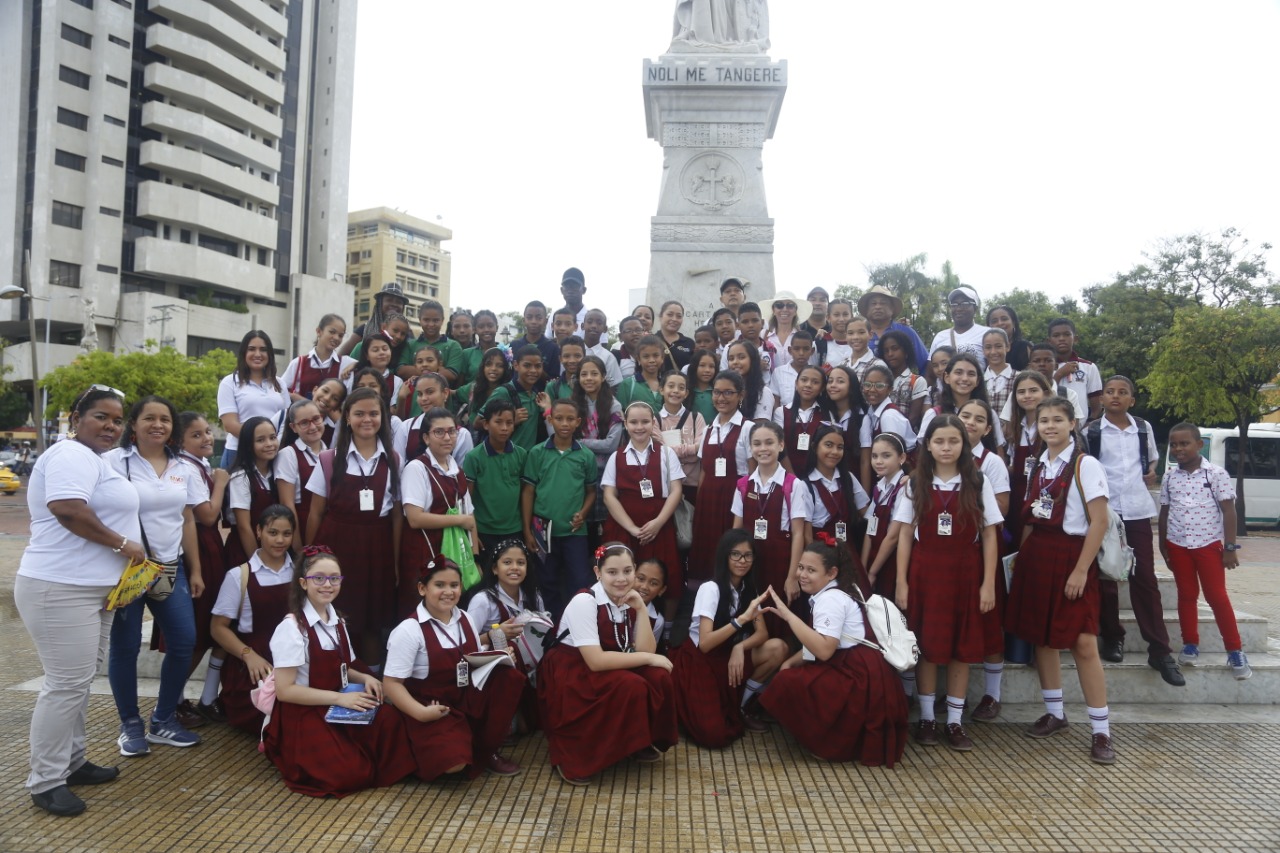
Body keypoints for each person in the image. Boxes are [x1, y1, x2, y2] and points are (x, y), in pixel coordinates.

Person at [15, 387, 142, 817]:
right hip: (59, 587)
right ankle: (45, 781)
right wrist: (123, 544)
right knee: (64, 684)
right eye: (100, 417)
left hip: (92, 590)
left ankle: (72, 761)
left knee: (79, 682)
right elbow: (67, 508)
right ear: (76, 419)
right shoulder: (69, 455)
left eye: (117, 419)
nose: (111, 426)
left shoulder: (96, 460)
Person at [1005, 396, 1116, 765]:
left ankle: (1101, 731)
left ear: (1073, 424)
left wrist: (1082, 570)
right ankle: (1055, 712)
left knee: (1083, 642)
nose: (1049, 426)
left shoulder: (1086, 464)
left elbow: (1099, 521)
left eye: (1057, 420)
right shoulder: (1039, 464)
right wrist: (1020, 558)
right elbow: (1034, 517)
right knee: (1042, 637)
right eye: (1043, 421)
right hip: (1038, 554)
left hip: (1072, 554)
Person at [263, 547, 415, 797]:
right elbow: (285, 691)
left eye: (335, 578)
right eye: (319, 578)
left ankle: (355, 751)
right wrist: (340, 698)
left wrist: (366, 677)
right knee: (346, 775)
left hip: (338, 701)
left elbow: (349, 665)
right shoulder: (291, 629)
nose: (328, 584)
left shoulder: (337, 621)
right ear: (303, 583)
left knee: (390, 721)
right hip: (303, 712)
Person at [893, 414, 1002, 752]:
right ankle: (927, 718)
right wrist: (901, 583)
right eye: (939, 441)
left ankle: (954, 722)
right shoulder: (914, 483)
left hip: (965, 573)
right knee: (926, 647)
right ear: (927, 445)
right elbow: (905, 537)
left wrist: (988, 584)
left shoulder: (977, 482)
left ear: (964, 444)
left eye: (953, 441)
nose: (946, 447)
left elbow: (989, 535)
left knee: (961, 649)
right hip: (925, 574)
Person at [105, 395, 204, 757]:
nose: (157, 425)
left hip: (168, 569)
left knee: (183, 640)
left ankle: (163, 720)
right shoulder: (114, 462)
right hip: (128, 571)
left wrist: (195, 569)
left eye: (165, 419)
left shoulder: (184, 468)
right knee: (126, 646)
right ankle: (130, 724)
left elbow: (188, 519)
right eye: (149, 418)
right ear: (134, 424)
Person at [537, 543, 678, 785]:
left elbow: (645, 649)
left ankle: (637, 741)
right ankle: (576, 756)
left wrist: (641, 609)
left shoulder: (628, 600)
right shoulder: (585, 601)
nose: (621, 579)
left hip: (609, 662)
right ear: (598, 572)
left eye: (627, 571)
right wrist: (649, 658)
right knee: (631, 684)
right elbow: (595, 661)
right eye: (612, 572)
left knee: (658, 677)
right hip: (573, 668)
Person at [759, 540, 909, 766]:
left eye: (811, 570)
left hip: (859, 674)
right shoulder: (834, 592)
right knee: (792, 673)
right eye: (801, 568)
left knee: (788, 683)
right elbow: (820, 641)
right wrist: (791, 662)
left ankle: (829, 744)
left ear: (831, 573)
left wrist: (789, 617)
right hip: (861, 668)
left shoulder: (830, 599)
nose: (802, 575)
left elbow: (825, 650)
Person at [384, 558, 525, 780]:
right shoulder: (409, 630)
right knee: (454, 765)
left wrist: (499, 657)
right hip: (433, 705)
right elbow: (391, 684)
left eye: (454, 585)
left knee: (509, 676)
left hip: (465, 696)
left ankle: (486, 750)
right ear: (422, 588)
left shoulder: (465, 618)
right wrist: (421, 713)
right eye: (439, 585)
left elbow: (475, 657)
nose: (448, 592)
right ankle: (413, 746)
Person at [1085, 376, 1183, 686]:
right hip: (1106, 512)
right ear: (1101, 398)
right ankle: (1113, 636)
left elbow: (1150, 461)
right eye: (1110, 392)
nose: (1115, 396)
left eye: (1122, 392)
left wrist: (1152, 471)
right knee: (1107, 577)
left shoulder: (1143, 427)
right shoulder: (1092, 431)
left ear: (1132, 399)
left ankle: (1160, 649)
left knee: (1145, 580)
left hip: (1138, 510)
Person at [304, 387, 402, 665]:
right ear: (347, 417)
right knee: (336, 613)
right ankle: (334, 674)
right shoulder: (329, 459)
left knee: (372, 621)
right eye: (359, 414)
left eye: (374, 413)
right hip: (337, 546)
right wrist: (309, 556)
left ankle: (369, 682)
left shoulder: (393, 459)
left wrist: (394, 562)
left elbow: (396, 515)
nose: (367, 419)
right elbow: (315, 513)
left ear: (383, 417)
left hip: (377, 546)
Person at [670, 530, 788, 747]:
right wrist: (740, 621)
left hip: (727, 655)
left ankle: (742, 707)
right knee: (714, 736)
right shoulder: (710, 589)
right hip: (700, 662)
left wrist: (739, 648)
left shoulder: (748, 588)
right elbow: (704, 644)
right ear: (725, 556)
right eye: (735, 554)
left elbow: (763, 634)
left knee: (777, 647)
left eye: (748, 555)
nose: (742, 561)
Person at [1160, 423, 1251, 680]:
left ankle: (1234, 650)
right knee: (1187, 594)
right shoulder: (1169, 477)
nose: (1178, 448)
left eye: (1184, 443)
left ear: (1199, 445)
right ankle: (1190, 644)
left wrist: (1230, 548)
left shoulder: (1215, 474)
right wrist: (1163, 545)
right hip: (1178, 545)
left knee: (1216, 596)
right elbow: (1165, 512)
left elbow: (1228, 511)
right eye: (1174, 444)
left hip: (1209, 545)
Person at [208, 505, 295, 733]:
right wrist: (248, 656)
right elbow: (218, 628)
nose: (280, 540)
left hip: (292, 659)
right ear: (258, 531)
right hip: (255, 669)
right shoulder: (239, 575)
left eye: (287, 534)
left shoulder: (300, 573)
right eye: (273, 532)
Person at [957, 399, 1013, 721]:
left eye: (979, 419)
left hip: (982, 548)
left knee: (990, 623)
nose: (971, 423)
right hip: (952, 552)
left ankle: (992, 694)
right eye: (966, 416)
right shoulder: (941, 456)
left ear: (988, 429)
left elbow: (1001, 508)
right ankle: (956, 695)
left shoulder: (990, 462)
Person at [175, 412, 230, 725]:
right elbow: (207, 515)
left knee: (210, 626)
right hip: (198, 545)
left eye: (207, 431)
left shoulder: (199, 464)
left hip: (208, 545)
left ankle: (194, 699)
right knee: (197, 630)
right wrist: (221, 483)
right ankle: (174, 699)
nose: (207, 438)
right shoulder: (186, 467)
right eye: (196, 435)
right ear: (180, 441)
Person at [731, 421, 809, 640]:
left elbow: (798, 534)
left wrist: (793, 576)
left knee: (779, 615)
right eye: (756, 444)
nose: (762, 449)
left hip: (781, 561)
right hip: (750, 562)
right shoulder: (743, 485)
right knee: (751, 612)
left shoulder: (793, 485)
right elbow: (736, 531)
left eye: (769, 442)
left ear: (781, 445)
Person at [521, 398, 598, 618]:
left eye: (570, 419)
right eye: (559, 418)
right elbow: (528, 492)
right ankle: (552, 626)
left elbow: (591, 491)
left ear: (578, 422)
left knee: (580, 581)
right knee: (547, 580)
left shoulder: (585, 456)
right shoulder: (537, 453)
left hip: (575, 532)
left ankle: (577, 625)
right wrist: (527, 530)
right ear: (550, 419)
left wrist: (583, 513)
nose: (564, 423)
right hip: (543, 531)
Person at [602, 402, 685, 601]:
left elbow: (676, 490)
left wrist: (658, 523)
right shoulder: (616, 456)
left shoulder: (666, 453)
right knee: (622, 577)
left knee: (668, 573)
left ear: (653, 423)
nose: (639, 427)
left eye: (645, 421)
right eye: (634, 422)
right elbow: (609, 496)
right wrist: (631, 528)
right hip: (624, 529)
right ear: (625, 424)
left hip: (659, 526)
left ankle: (666, 625)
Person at [400, 408, 476, 615]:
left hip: (454, 551)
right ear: (426, 437)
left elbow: (470, 517)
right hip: (424, 549)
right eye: (439, 432)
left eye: (452, 431)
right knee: (422, 608)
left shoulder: (456, 469)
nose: (447, 437)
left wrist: (474, 558)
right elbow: (414, 518)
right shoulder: (416, 468)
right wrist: (457, 520)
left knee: (450, 608)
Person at [689, 371, 753, 583]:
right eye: (717, 392)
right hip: (708, 500)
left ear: (740, 395)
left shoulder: (748, 428)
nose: (721, 398)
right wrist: (700, 502)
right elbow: (705, 470)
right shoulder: (708, 429)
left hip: (733, 500)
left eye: (728, 392)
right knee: (707, 549)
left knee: (730, 548)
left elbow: (752, 472)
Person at [464, 399, 529, 554]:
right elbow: (467, 499)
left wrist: (526, 529)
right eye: (498, 422)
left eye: (509, 423)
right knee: (486, 575)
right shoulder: (474, 457)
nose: (504, 428)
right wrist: (471, 532)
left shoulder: (521, 454)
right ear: (486, 424)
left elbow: (525, 492)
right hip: (484, 530)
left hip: (514, 528)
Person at [217, 330, 289, 469]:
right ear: (244, 353)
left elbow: (286, 421)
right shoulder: (229, 382)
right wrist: (261, 443)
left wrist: (271, 446)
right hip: (239, 453)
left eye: (263, 350)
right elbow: (230, 425)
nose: (257, 354)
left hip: (274, 454)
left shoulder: (280, 384)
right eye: (251, 349)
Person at [223, 416, 280, 571]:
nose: (269, 444)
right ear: (248, 445)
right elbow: (243, 526)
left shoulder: (277, 471)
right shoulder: (240, 476)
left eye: (272, 437)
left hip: (274, 549)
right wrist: (258, 564)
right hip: (245, 552)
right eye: (260, 440)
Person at [803, 424, 870, 553]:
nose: (834, 452)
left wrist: (879, 530)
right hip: (821, 553)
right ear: (814, 447)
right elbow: (806, 534)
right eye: (828, 445)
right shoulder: (806, 485)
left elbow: (866, 513)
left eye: (840, 447)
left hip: (848, 550)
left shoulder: (848, 478)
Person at [861, 432, 909, 602]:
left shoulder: (905, 488)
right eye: (874, 456)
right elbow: (870, 531)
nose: (878, 461)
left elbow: (893, 536)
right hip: (875, 560)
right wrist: (864, 566)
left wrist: (872, 572)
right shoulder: (878, 488)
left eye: (886, 456)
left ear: (901, 457)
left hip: (892, 560)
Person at [275, 399, 325, 554]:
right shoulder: (288, 455)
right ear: (293, 427)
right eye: (304, 423)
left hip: (327, 526)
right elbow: (287, 503)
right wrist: (297, 546)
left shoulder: (331, 453)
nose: (312, 426)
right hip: (301, 524)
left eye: (316, 419)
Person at [859, 364, 917, 492]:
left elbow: (893, 456)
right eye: (868, 384)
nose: (872, 390)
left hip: (902, 476)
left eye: (879, 386)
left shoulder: (888, 416)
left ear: (890, 389)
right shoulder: (871, 411)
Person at [487, 345, 546, 450]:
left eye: (538, 366)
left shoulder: (536, 395)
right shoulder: (503, 392)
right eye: (527, 365)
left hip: (528, 460)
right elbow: (479, 422)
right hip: (507, 457)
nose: (533, 370)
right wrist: (510, 421)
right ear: (516, 365)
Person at [859, 285, 929, 372]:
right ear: (867, 309)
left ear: (892, 309)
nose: (877, 307)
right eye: (873, 303)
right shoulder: (858, 334)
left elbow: (925, 364)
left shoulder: (906, 332)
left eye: (883, 303)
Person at [773, 364, 827, 476]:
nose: (808, 385)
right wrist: (792, 478)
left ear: (822, 388)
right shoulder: (781, 412)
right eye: (804, 380)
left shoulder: (825, 414)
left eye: (815, 382)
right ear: (796, 383)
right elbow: (780, 448)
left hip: (817, 475)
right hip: (787, 475)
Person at [1047, 318, 1103, 421]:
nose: (1062, 339)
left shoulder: (1088, 367)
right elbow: (1043, 396)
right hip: (1050, 428)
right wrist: (1059, 374)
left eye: (1067, 334)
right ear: (1049, 341)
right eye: (1056, 335)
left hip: (1082, 431)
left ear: (1075, 339)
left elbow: (1097, 407)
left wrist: (1087, 428)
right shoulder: (1043, 367)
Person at [282, 314, 346, 402]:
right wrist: (293, 396)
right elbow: (280, 391)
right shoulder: (299, 363)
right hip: (302, 414)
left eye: (340, 335)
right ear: (319, 331)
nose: (336, 338)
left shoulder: (345, 364)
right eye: (332, 332)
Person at [337, 281, 407, 358]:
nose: (394, 304)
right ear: (380, 304)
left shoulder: (406, 333)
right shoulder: (364, 330)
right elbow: (340, 356)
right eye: (389, 300)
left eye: (398, 302)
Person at [877, 329, 928, 431]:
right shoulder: (880, 380)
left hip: (904, 437)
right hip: (878, 434)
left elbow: (913, 418)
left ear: (906, 351)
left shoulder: (916, 381)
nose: (890, 354)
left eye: (894, 348)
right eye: (886, 351)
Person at [929, 287, 991, 368]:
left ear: (975, 308)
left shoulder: (987, 334)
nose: (958, 309)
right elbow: (930, 374)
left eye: (965, 304)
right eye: (954, 304)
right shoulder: (940, 336)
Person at [615, 335, 667, 414]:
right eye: (646, 356)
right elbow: (620, 414)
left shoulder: (666, 385)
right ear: (638, 359)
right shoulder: (628, 384)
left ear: (662, 358)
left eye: (656, 355)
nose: (651, 360)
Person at [726, 339, 776, 419]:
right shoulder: (727, 391)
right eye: (731, 359)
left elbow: (761, 427)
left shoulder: (763, 392)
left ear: (753, 360)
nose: (735, 362)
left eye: (741, 357)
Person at [769, 328, 814, 407]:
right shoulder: (779, 372)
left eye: (806, 349)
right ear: (790, 350)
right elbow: (775, 401)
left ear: (812, 351)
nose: (801, 353)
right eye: (796, 349)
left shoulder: (816, 374)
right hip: (784, 417)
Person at [581, 308, 624, 387]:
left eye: (599, 323)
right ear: (582, 326)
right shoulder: (575, 352)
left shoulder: (608, 357)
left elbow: (614, 386)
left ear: (605, 329)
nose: (594, 326)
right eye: (589, 322)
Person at [520, 301, 560, 382]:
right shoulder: (513, 345)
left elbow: (554, 380)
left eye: (539, 318)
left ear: (545, 321)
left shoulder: (553, 348)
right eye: (529, 317)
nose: (534, 321)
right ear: (524, 320)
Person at [986, 305, 1033, 371]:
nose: (999, 323)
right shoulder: (985, 350)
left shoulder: (1025, 347)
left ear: (1013, 323)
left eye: (1004, 319)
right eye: (994, 321)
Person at [656, 301, 696, 370]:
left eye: (679, 316)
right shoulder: (651, 341)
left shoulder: (689, 343)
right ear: (660, 316)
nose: (674, 319)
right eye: (670, 314)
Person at [557, 266, 589, 333]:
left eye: (575, 286)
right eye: (566, 286)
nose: (570, 291)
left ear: (584, 290)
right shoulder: (554, 316)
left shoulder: (594, 319)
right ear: (562, 290)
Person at [612, 315, 644, 379]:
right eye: (629, 331)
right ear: (621, 337)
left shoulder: (651, 355)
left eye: (638, 330)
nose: (634, 334)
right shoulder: (614, 357)